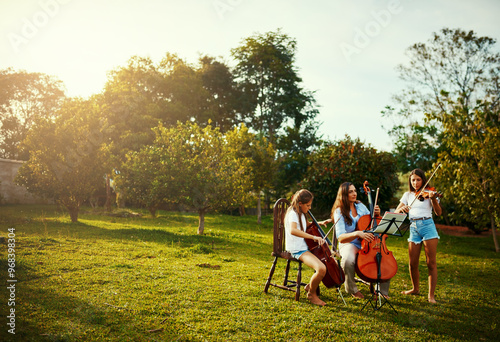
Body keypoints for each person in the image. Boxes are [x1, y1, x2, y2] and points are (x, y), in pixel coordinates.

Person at [321, 182, 390, 299]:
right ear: (343, 195)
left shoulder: (360, 206)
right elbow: (341, 237)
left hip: (367, 241)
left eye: (355, 191)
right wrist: (357, 233)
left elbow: (371, 222)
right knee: (348, 260)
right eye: (350, 192)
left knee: (383, 257)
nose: (354, 194)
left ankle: (381, 291)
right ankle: (352, 288)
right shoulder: (339, 211)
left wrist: (376, 214)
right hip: (350, 242)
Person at [394, 168, 442, 304]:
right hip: (413, 228)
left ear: (423, 180)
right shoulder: (408, 195)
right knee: (412, 263)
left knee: (430, 262)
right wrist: (401, 209)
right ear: (410, 181)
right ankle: (415, 289)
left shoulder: (430, 193)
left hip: (428, 226)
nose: (415, 183)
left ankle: (431, 296)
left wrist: (434, 199)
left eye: (418, 180)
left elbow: (438, 213)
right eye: (413, 180)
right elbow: (397, 211)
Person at [285, 189, 328, 306]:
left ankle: (311, 285)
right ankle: (311, 294)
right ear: (300, 204)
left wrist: (319, 222)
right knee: (321, 269)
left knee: (327, 261)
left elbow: (307, 225)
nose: (309, 208)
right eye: (308, 205)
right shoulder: (293, 214)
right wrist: (314, 237)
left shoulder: (301, 213)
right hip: (298, 249)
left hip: (305, 247)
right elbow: (293, 230)